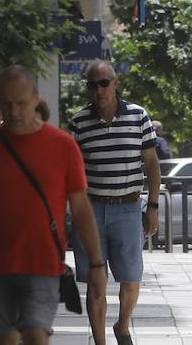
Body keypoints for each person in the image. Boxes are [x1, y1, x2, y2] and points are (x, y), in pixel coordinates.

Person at [0, 67, 107, 345]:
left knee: (36, 334)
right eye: (7, 105)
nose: (14, 112)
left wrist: (96, 263)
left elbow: (81, 208)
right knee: (5, 340)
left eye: (21, 103)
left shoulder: (62, 145)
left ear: (36, 99)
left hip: (43, 263)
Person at [68, 60, 162, 345]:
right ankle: (99, 342)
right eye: (92, 85)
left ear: (115, 83)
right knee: (96, 283)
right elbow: (71, 171)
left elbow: (152, 164)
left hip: (129, 207)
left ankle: (122, 326)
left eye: (103, 83)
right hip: (92, 210)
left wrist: (153, 207)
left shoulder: (138, 116)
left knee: (131, 278)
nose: (98, 90)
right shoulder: (79, 122)